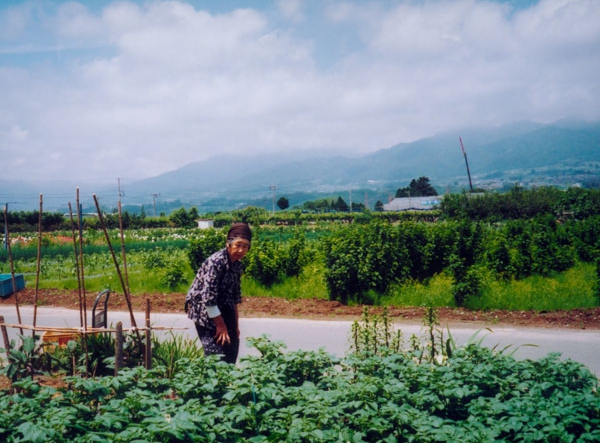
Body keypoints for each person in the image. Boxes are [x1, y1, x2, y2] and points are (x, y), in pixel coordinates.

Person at [185, 222, 252, 364]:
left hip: (223, 306)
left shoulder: (237, 265)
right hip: (203, 308)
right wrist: (221, 326)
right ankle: (213, 381)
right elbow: (208, 299)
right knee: (215, 355)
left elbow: (234, 297)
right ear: (229, 244)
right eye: (238, 245)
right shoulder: (216, 262)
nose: (241, 250)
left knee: (232, 347)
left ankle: (227, 382)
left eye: (245, 246)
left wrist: (235, 326)